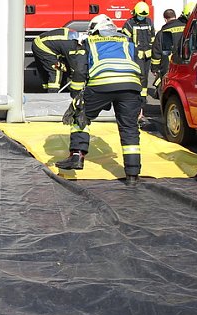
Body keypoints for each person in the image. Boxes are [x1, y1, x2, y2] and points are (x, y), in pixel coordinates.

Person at [55, 14, 143, 186]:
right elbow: (139, 66)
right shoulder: (127, 42)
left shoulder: (90, 42)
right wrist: (141, 99)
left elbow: (80, 70)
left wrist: (76, 95)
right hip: (131, 86)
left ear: (94, 29)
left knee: (81, 115)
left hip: (102, 84)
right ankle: (132, 174)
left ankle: (76, 157)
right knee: (129, 128)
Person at [122, 1, 155, 115]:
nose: (142, 17)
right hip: (136, 56)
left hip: (147, 56)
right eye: (140, 15)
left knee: (145, 78)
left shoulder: (149, 21)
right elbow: (125, 41)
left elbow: (152, 37)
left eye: (144, 16)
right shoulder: (129, 24)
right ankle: (136, 101)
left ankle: (143, 102)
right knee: (139, 77)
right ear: (135, 12)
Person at [31, 28, 86, 96]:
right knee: (57, 70)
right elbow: (74, 68)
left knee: (46, 71)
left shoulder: (75, 36)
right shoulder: (72, 46)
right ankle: (53, 95)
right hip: (44, 47)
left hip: (40, 42)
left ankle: (45, 90)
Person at [149, 8, 186, 98]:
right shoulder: (186, 28)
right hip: (185, 62)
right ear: (175, 17)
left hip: (168, 65)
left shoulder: (162, 33)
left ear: (165, 19)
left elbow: (156, 53)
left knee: (169, 88)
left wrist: (154, 68)